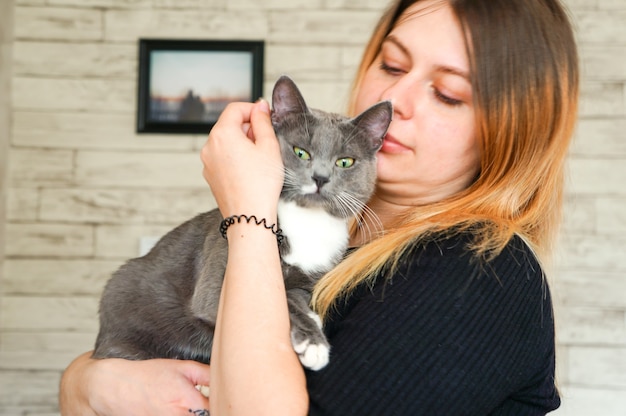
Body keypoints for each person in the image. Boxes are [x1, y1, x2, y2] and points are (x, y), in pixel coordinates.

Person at [58, 0, 579, 414]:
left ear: (510, 132)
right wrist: (88, 383)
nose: (397, 100)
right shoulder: (344, 241)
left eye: (447, 93)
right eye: (391, 63)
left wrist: (246, 212)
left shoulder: (478, 273)